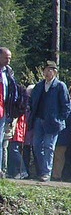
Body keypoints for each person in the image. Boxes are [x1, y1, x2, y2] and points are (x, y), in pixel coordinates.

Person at [28, 61, 71, 182]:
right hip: (38, 120)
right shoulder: (39, 86)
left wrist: (59, 119)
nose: (47, 73)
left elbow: (67, 105)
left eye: (50, 70)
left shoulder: (60, 86)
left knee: (49, 146)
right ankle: (42, 170)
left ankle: (46, 172)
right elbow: (32, 102)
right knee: (36, 146)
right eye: (46, 70)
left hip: (53, 122)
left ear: (55, 72)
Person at [52, 85, 71, 180]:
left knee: (66, 156)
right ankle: (57, 175)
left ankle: (60, 175)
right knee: (58, 155)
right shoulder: (62, 104)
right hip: (62, 134)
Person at [0, 47, 22, 178]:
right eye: (6, 57)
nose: (8, 60)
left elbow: (13, 92)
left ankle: (1, 169)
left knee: (1, 141)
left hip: (4, 111)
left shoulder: (8, 72)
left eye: (10, 58)